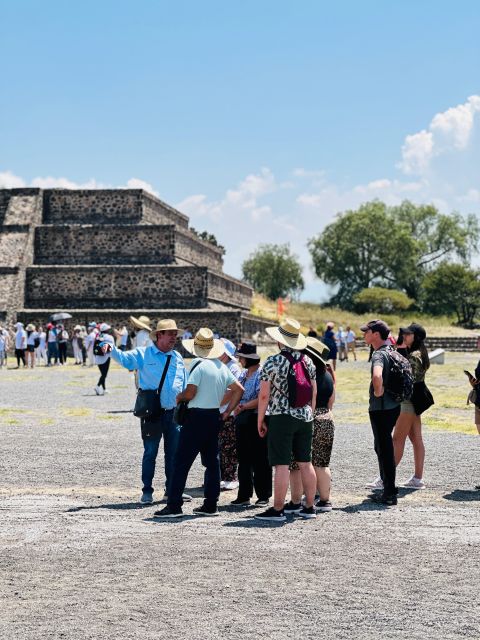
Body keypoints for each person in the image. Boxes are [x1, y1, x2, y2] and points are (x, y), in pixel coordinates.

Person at [154, 328, 244, 518]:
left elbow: (191, 392)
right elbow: (239, 389)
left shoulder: (198, 364)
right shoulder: (221, 366)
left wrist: (179, 397)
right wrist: (227, 412)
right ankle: (211, 504)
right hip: (213, 416)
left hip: (196, 417)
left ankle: (174, 505)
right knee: (212, 463)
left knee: (181, 462)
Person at [107, 319, 187, 504]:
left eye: (175, 334)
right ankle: (147, 491)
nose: (174, 338)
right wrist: (110, 347)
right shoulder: (144, 354)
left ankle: (172, 490)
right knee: (150, 452)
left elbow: (183, 383)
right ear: (159, 335)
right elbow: (125, 360)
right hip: (152, 413)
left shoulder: (178, 357)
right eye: (170, 334)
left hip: (174, 413)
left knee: (173, 454)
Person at [255, 317, 318, 522]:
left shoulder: (273, 362)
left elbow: (264, 395)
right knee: (305, 463)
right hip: (305, 415)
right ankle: (309, 507)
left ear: (279, 340)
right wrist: (310, 414)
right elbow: (313, 392)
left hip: (281, 416)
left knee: (281, 464)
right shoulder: (307, 361)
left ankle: (278, 509)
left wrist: (260, 419)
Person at [288, 338, 335, 513]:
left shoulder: (305, 374)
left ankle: (295, 501)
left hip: (309, 418)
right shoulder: (329, 375)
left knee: (297, 463)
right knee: (321, 463)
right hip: (326, 417)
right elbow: (331, 401)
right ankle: (325, 500)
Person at [361, 319, 400, 506]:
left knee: (384, 449)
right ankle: (389, 487)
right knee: (383, 447)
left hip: (381, 408)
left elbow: (377, 376)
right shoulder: (392, 350)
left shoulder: (378, 355)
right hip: (394, 406)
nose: (363, 335)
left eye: (366, 332)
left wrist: (378, 392)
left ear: (376, 334)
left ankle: (389, 492)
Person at [231, 342, 272, 507]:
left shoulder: (261, 373)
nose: (239, 360)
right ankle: (244, 494)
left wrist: (242, 406)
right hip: (243, 419)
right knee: (244, 458)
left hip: (257, 417)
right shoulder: (243, 374)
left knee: (260, 458)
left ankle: (263, 495)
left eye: (241, 357)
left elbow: (263, 397)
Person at [392, 323, 430, 489]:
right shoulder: (418, 353)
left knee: (397, 439)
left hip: (408, 401)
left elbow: (408, 380)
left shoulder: (413, 356)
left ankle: (386, 476)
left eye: (408, 334)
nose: (404, 336)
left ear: (416, 337)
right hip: (415, 401)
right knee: (416, 439)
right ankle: (417, 478)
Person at [218, 338, 242, 491]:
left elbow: (230, 393)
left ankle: (231, 477)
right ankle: (221, 476)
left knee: (229, 446)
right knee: (219, 446)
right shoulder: (220, 365)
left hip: (228, 412)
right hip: (219, 411)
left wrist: (213, 403)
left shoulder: (233, 368)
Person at [94, 323, 115, 395]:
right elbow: (112, 348)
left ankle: (104, 389)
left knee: (103, 374)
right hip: (106, 358)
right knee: (104, 375)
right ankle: (97, 386)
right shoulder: (110, 337)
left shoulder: (98, 336)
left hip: (98, 358)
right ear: (106, 330)